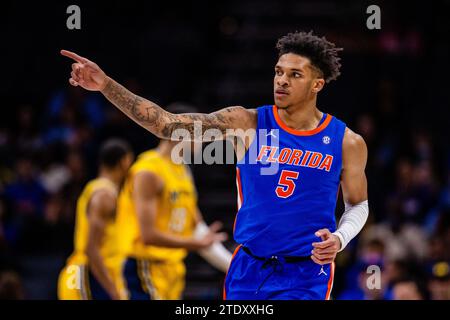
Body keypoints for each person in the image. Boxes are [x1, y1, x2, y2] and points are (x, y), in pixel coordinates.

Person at [61, 30, 369, 300]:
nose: (281, 81)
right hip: (248, 266)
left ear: (317, 84)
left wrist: (340, 239)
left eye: (294, 75)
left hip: (305, 270)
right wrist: (106, 85)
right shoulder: (246, 122)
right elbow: (167, 125)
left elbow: (358, 205)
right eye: (278, 72)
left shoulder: (346, 142)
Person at [116, 103, 232, 300]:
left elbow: (198, 228)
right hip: (144, 267)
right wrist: (193, 244)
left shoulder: (182, 169)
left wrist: (232, 265)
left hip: (173, 270)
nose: (202, 141)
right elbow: (148, 235)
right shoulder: (148, 170)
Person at [57, 139, 134, 300]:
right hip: (90, 276)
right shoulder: (104, 195)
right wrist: (112, 290)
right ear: (124, 161)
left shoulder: (99, 189)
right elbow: (91, 248)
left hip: (97, 274)